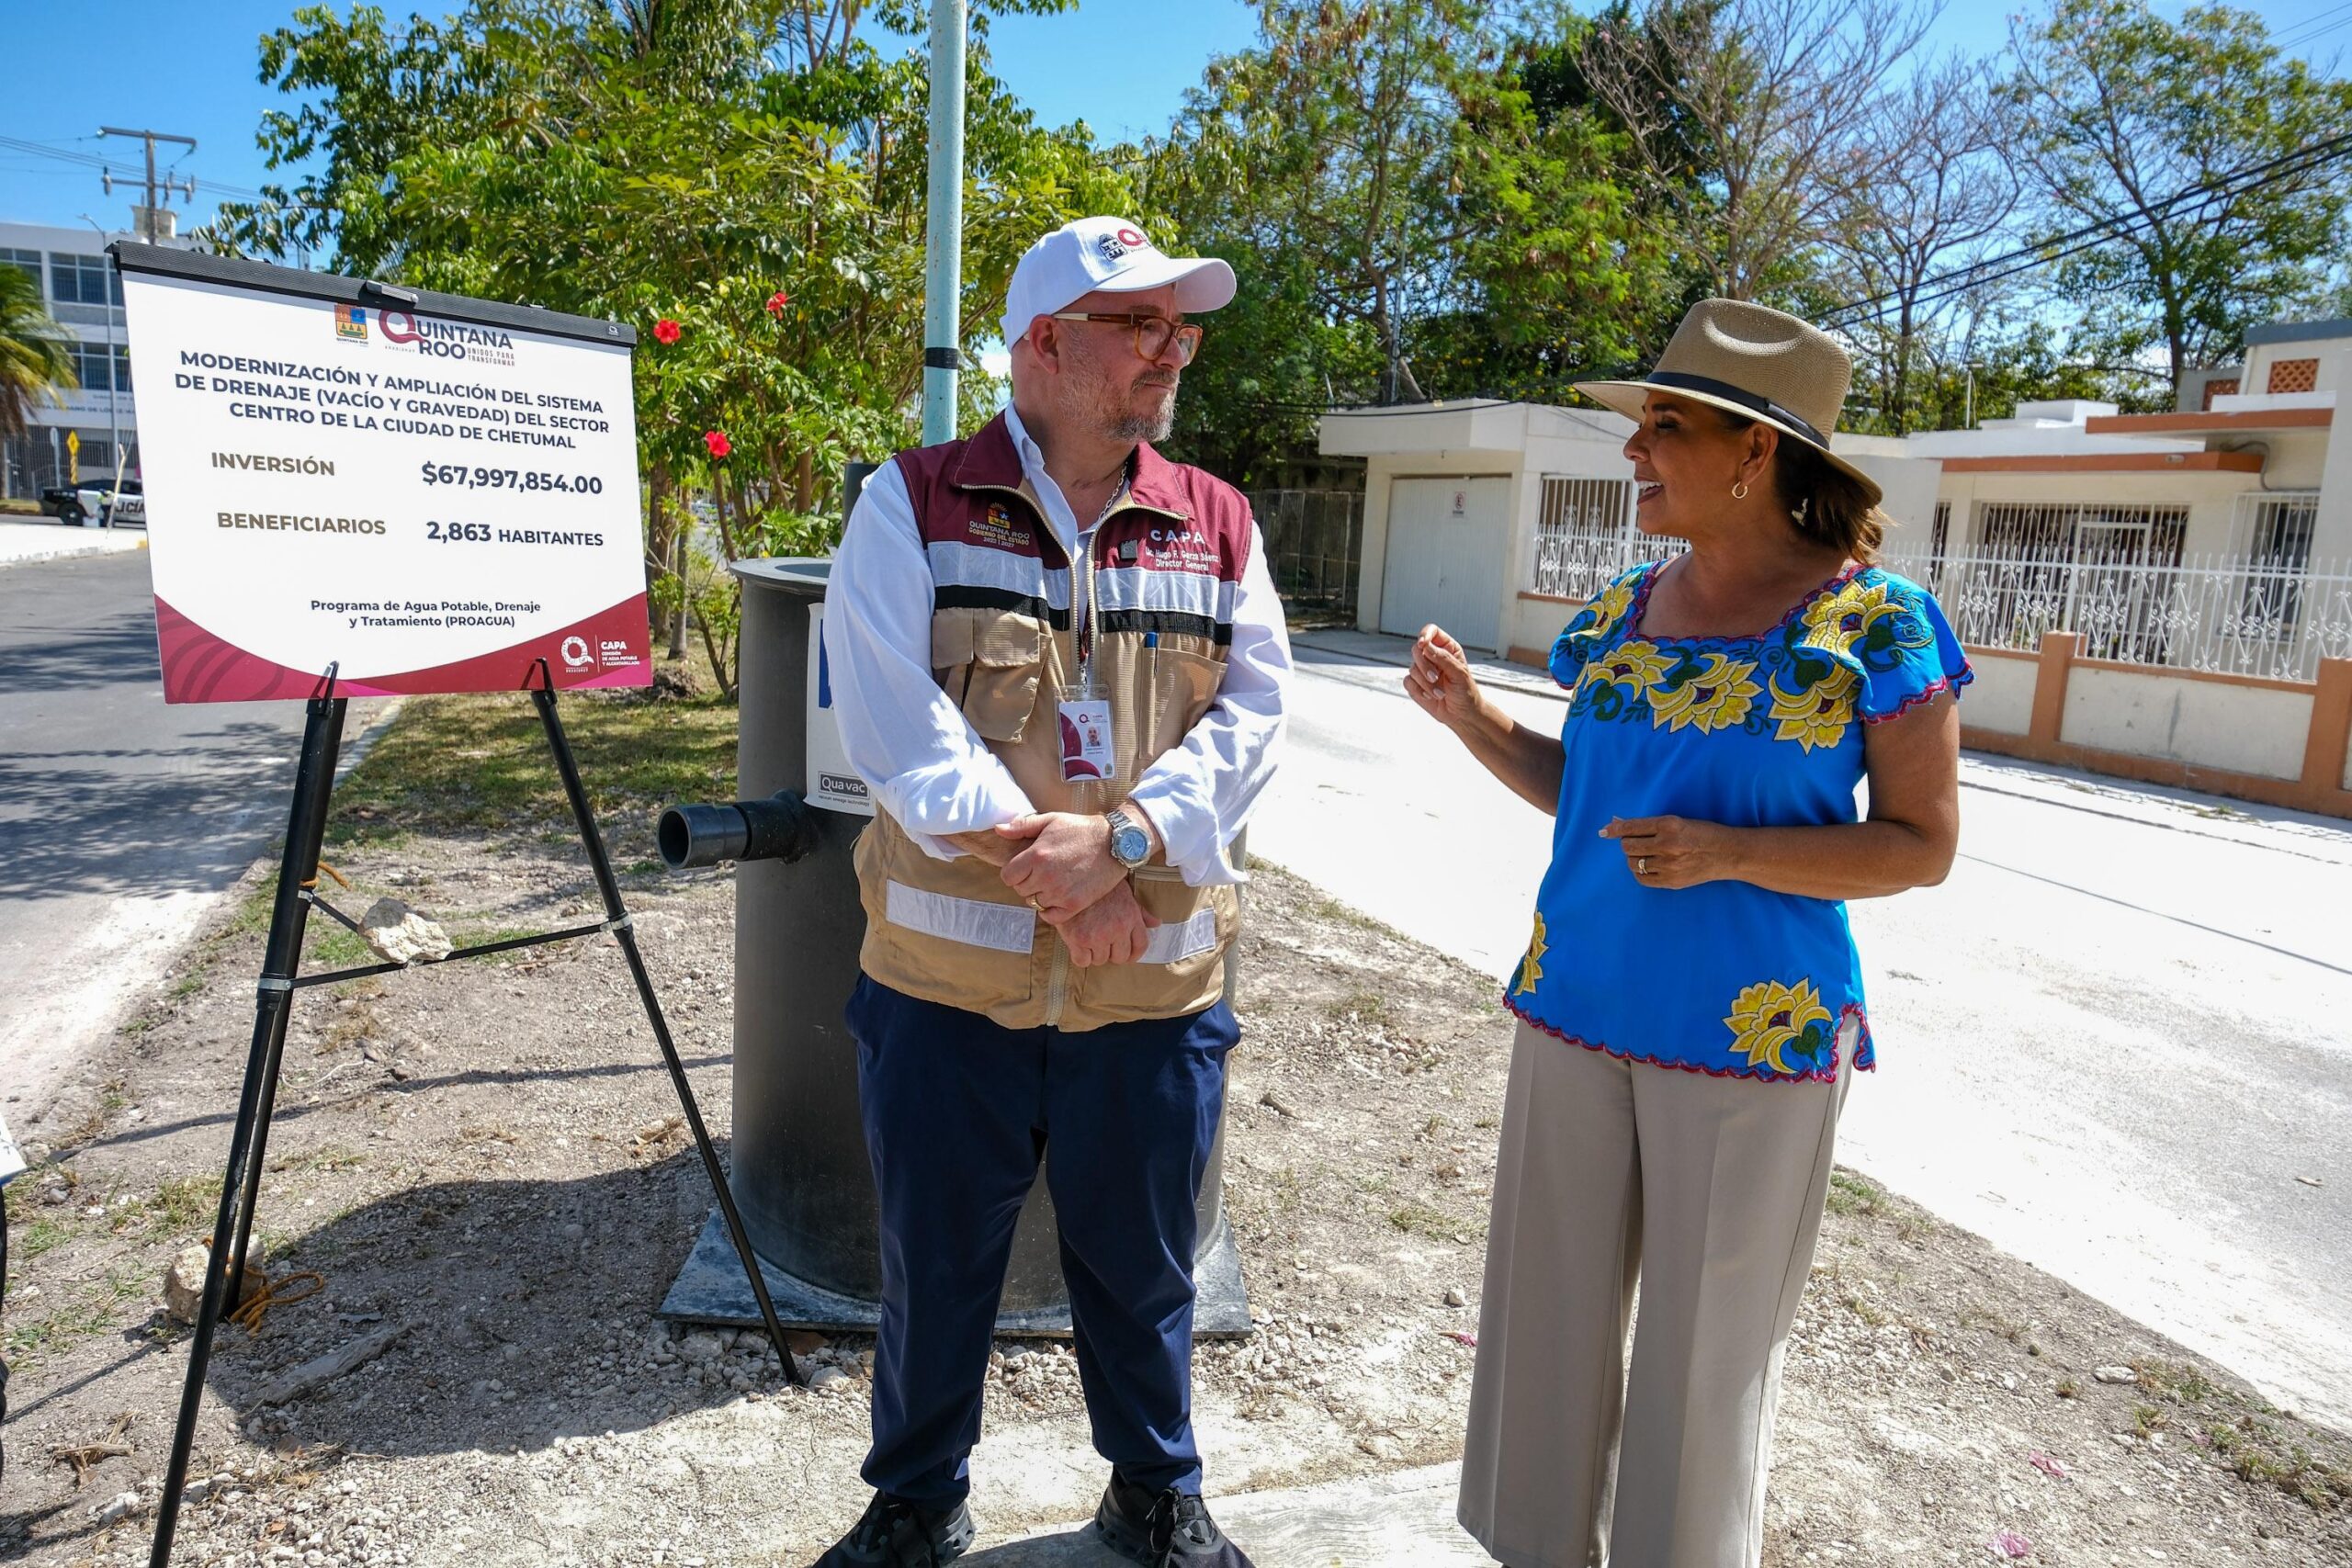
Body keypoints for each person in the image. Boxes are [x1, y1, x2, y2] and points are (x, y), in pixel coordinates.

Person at [1407, 299, 1969, 1568]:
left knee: (1704, 1363)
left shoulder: (1874, 624)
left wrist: (1733, 855)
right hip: (1574, 1005)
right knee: (1544, 1324)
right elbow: (1592, 797)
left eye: (1665, 426)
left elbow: (1922, 845)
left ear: (1757, 451)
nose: (1634, 452)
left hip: (1751, 1037)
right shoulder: (1621, 611)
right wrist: (1474, 723)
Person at [811, 216, 1291, 1568]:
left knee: (1146, 1270)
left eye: (1179, 326)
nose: (1172, 349)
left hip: (1152, 992)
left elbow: (1255, 721)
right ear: (1043, 345)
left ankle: (1154, 1491)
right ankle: (915, 1500)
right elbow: (900, 733)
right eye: (1140, 325)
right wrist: (1079, 881)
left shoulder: (1219, 523)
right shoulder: (907, 502)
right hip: (945, 993)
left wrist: (1126, 842)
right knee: (934, 1267)